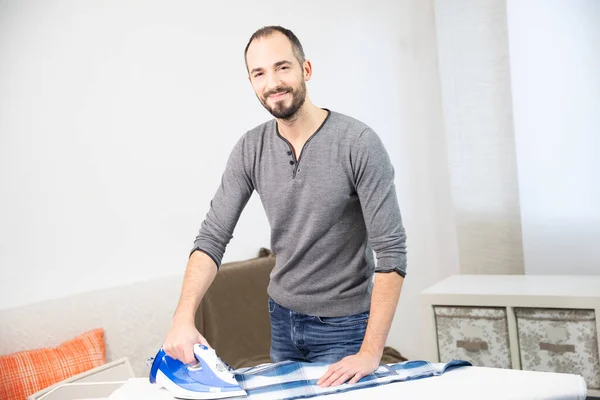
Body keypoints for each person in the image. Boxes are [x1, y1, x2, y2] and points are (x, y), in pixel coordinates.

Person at [163, 25, 407, 388]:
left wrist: (371, 351)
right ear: (251, 82)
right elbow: (212, 237)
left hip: (344, 327)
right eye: (259, 73)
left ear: (305, 69)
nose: (272, 82)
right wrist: (182, 318)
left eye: (282, 67)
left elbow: (392, 253)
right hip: (281, 321)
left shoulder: (358, 143)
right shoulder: (250, 149)